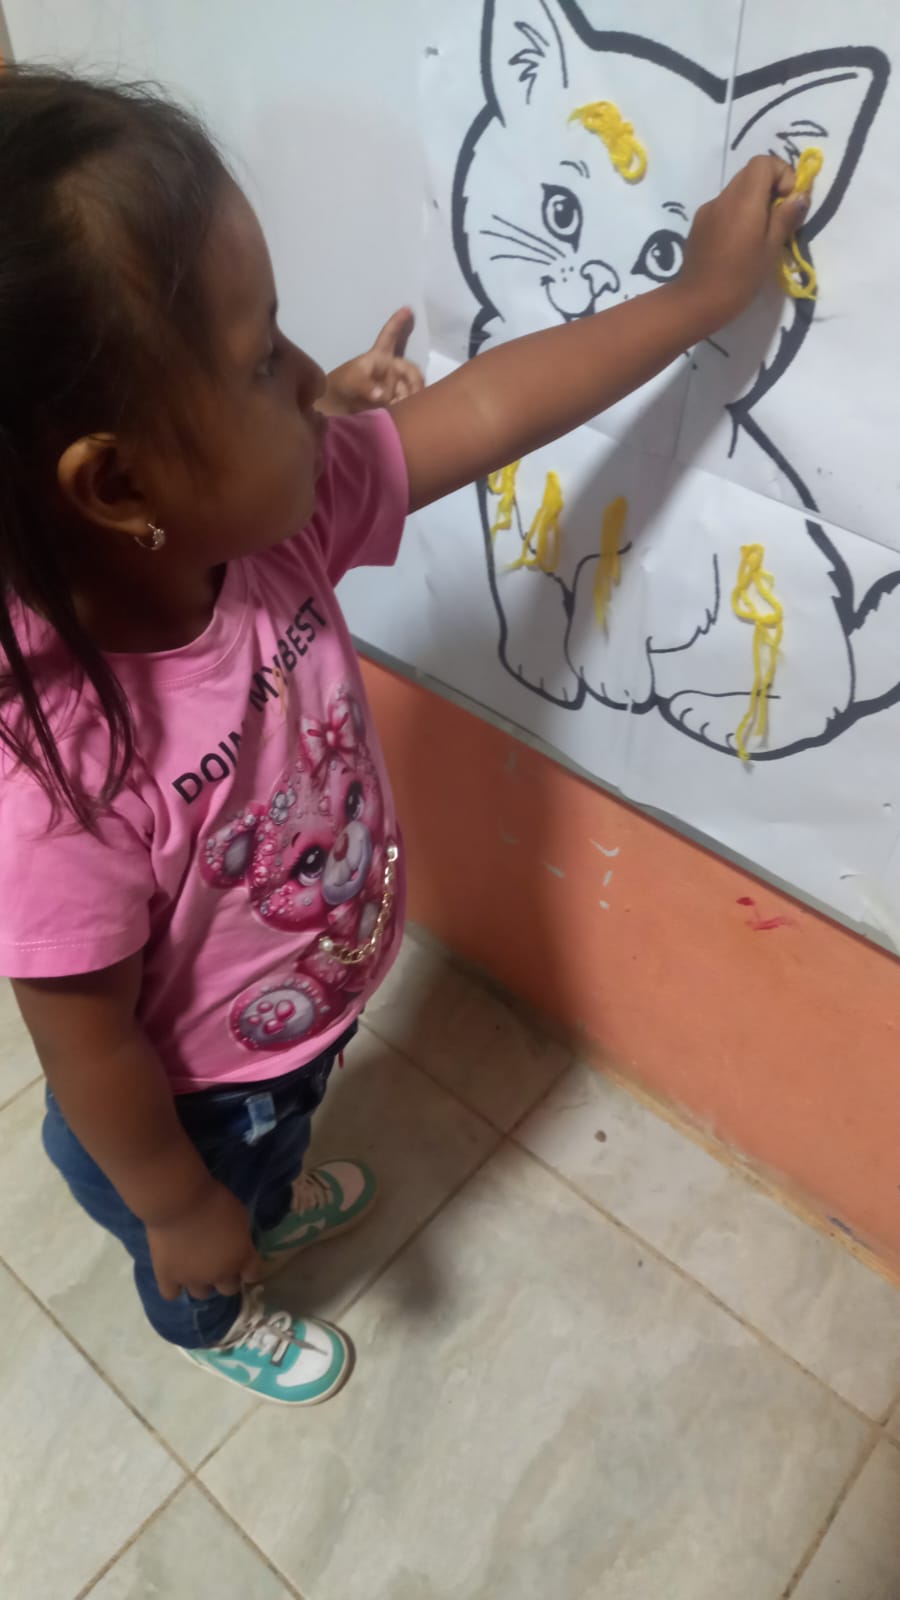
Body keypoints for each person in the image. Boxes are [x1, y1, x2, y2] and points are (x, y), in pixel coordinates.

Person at [0, 67, 809, 1406]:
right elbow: (84, 1048)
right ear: (121, 482)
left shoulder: (264, 531)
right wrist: (177, 1203)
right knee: (208, 1235)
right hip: (186, 1108)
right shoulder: (58, 777)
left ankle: (263, 1191)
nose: (311, 381)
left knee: (275, 1154)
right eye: (262, 359)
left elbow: (487, 409)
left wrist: (698, 298)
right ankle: (214, 1309)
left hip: (294, 1032)